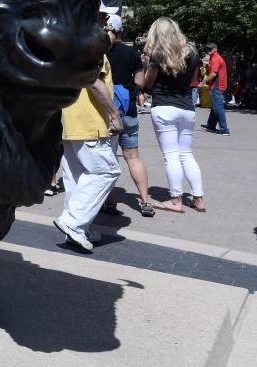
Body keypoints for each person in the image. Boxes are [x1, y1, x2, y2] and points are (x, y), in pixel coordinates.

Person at [53, 50, 123, 253]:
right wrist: (114, 114)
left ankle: (76, 229)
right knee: (107, 171)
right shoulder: (93, 45)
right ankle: (74, 222)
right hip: (90, 122)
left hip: (70, 120)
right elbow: (94, 81)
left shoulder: (69, 45)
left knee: (76, 177)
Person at [143, 17, 206, 213]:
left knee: (171, 155)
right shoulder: (193, 53)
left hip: (163, 107)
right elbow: (193, 81)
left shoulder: (157, 55)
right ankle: (198, 198)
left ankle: (176, 200)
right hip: (187, 107)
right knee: (186, 154)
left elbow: (148, 83)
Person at [103, 14, 155, 217]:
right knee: (133, 156)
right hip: (129, 110)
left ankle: (110, 202)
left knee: (108, 158)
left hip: (106, 112)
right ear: (120, 31)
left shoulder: (98, 53)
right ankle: (145, 201)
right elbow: (141, 83)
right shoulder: (132, 53)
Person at [200, 43, 230, 136]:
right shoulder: (215, 57)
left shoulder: (215, 58)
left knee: (218, 108)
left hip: (217, 86)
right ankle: (211, 125)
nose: (208, 50)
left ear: (215, 49)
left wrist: (202, 82)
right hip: (218, 85)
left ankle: (225, 130)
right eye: (207, 49)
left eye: (210, 49)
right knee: (215, 106)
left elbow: (213, 74)